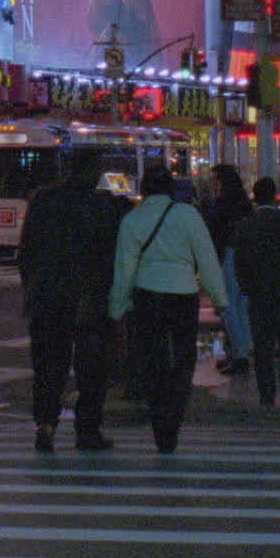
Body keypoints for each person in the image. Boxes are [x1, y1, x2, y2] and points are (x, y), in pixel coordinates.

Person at [108, 161, 228, 455]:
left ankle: (160, 421)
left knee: (153, 359)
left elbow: (124, 270)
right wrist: (220, 299)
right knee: (184, 358)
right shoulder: (188, 216)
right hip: (183, 294)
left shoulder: (133, 221)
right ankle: (174, 415)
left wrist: (117, 307)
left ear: (145, 189)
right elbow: (207, 260)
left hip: (147, 295)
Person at [19, 149, 126, 453]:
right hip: (88, 299)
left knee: (49, 366)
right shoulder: (103, 205)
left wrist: (31, 288)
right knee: (91, 369)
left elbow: (27, 251)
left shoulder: (43, 200)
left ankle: (46, 424)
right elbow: (112, 256)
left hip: (48, 297)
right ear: (95, 173)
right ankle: (88, 429)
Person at [232, 176, 280, 406]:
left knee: (263, 345)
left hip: (258, 293)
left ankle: (267, 392)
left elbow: (240, 261)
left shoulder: (246, 225)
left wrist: (246, 286)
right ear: (274, 195)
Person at [204, 163, 254, 375]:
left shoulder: (221, 204)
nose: (211, 184)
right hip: (244, 255)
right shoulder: (243, 202)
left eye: (214, 180)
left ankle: (239, 352)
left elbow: (215, 231)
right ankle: (242, 350)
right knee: (241, 305)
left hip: (228, 255)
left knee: (227, 305)